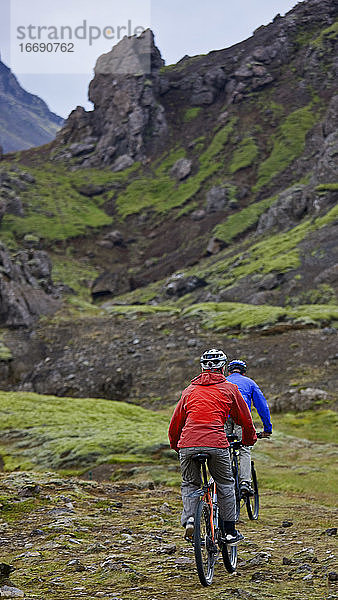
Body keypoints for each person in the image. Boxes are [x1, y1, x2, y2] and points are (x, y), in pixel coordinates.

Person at [168, 349, 257, 545]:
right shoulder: (229, 388)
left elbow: (175, 424)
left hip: (188, 444)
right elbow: (244, 419)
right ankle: (229, 532)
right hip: (216, 443)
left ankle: (190, 519)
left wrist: (177, 446)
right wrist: (248, 440)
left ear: (201, 367)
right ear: (223, 368)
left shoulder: (189, 391)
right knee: (225, 484)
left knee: (191, 484)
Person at [226, 359, 272, 497]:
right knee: (244, 448)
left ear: (229, 371)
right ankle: (245, 482)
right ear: (244, 372)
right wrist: (267, 428)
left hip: (223, 417)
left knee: (224, 448)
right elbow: (262, 407)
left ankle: (224, 480)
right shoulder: (250, 383)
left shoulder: (223, 382)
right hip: (242, 416)